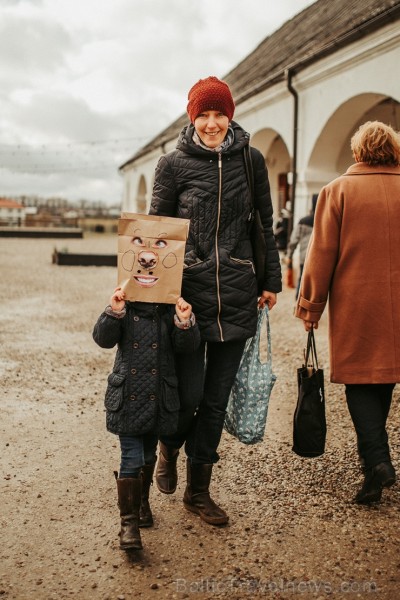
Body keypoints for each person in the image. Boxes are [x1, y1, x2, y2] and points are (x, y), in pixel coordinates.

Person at [149, 76, 282, 525]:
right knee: (187, 397)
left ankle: (198, 491)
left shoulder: (253, 159)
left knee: (216, 399)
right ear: (192, 118)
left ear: (230, 114)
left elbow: (264, 224)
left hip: (240, 295)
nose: (211, 123)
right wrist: (157, 293)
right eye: (202, 115)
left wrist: (271, 281)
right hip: (188, 300)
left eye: (218, 113)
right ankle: (169, 447)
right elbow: (155, 235)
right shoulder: (171, 165)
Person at [295, 120, 400, 504]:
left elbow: (320, 254)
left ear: (357, 153)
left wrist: (310, 306)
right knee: (383, 377)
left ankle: (377, 461)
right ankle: (373, 464)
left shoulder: (337, 191)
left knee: (360, 382)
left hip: (358, 306)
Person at [93, 291, 200, 551]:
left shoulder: (169, 307)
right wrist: (114, 311)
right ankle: (128, 523)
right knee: (131, 457)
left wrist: (184, 321)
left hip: (158, 399)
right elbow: (102, 339)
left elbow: (187, 347)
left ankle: (141, 502)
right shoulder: (125, 306)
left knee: (149, 454)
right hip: (129, 397)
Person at [286, 194, 318, 299]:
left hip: (304, 256)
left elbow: (293, 240)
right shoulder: (326, 221)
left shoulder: (303, 221)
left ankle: (298, 298)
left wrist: (289, 255)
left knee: (302, 278)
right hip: (319, 258)